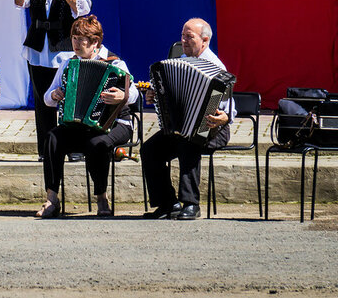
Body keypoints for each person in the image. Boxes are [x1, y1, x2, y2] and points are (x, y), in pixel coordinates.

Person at [36, 15, 136, 219]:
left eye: (81, 40)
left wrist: (122, 96)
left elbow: (134, 95)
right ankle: (52, 199)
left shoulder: (115, 63)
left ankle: (101, 198)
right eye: (74, 38)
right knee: (53, 138)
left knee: (96, 143)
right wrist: (54, 95)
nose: (75, 44)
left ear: (95, 42)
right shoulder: (68, 64)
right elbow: (47, 98)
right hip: (79, 126)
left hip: (116, 124)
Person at [141, 17, 236, 221]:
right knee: (149, 150)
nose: (183, 40)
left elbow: (230, 110)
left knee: (190, 141)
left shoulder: (216, 67)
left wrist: (224, 118)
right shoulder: (179, 61)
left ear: (205, 40)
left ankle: (191, 204)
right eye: (182, 36)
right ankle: (168, 203)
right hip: (182, 126)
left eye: (189, 36)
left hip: (215, 129)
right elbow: (167, 96)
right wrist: (154, 94)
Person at [14, 0, 92, 159]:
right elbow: (20, 2)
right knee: (43, 102)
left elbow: (82, 9)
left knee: (70, 98)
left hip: (64, 46)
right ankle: (46, 151)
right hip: (39, 47)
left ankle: (75, 150)